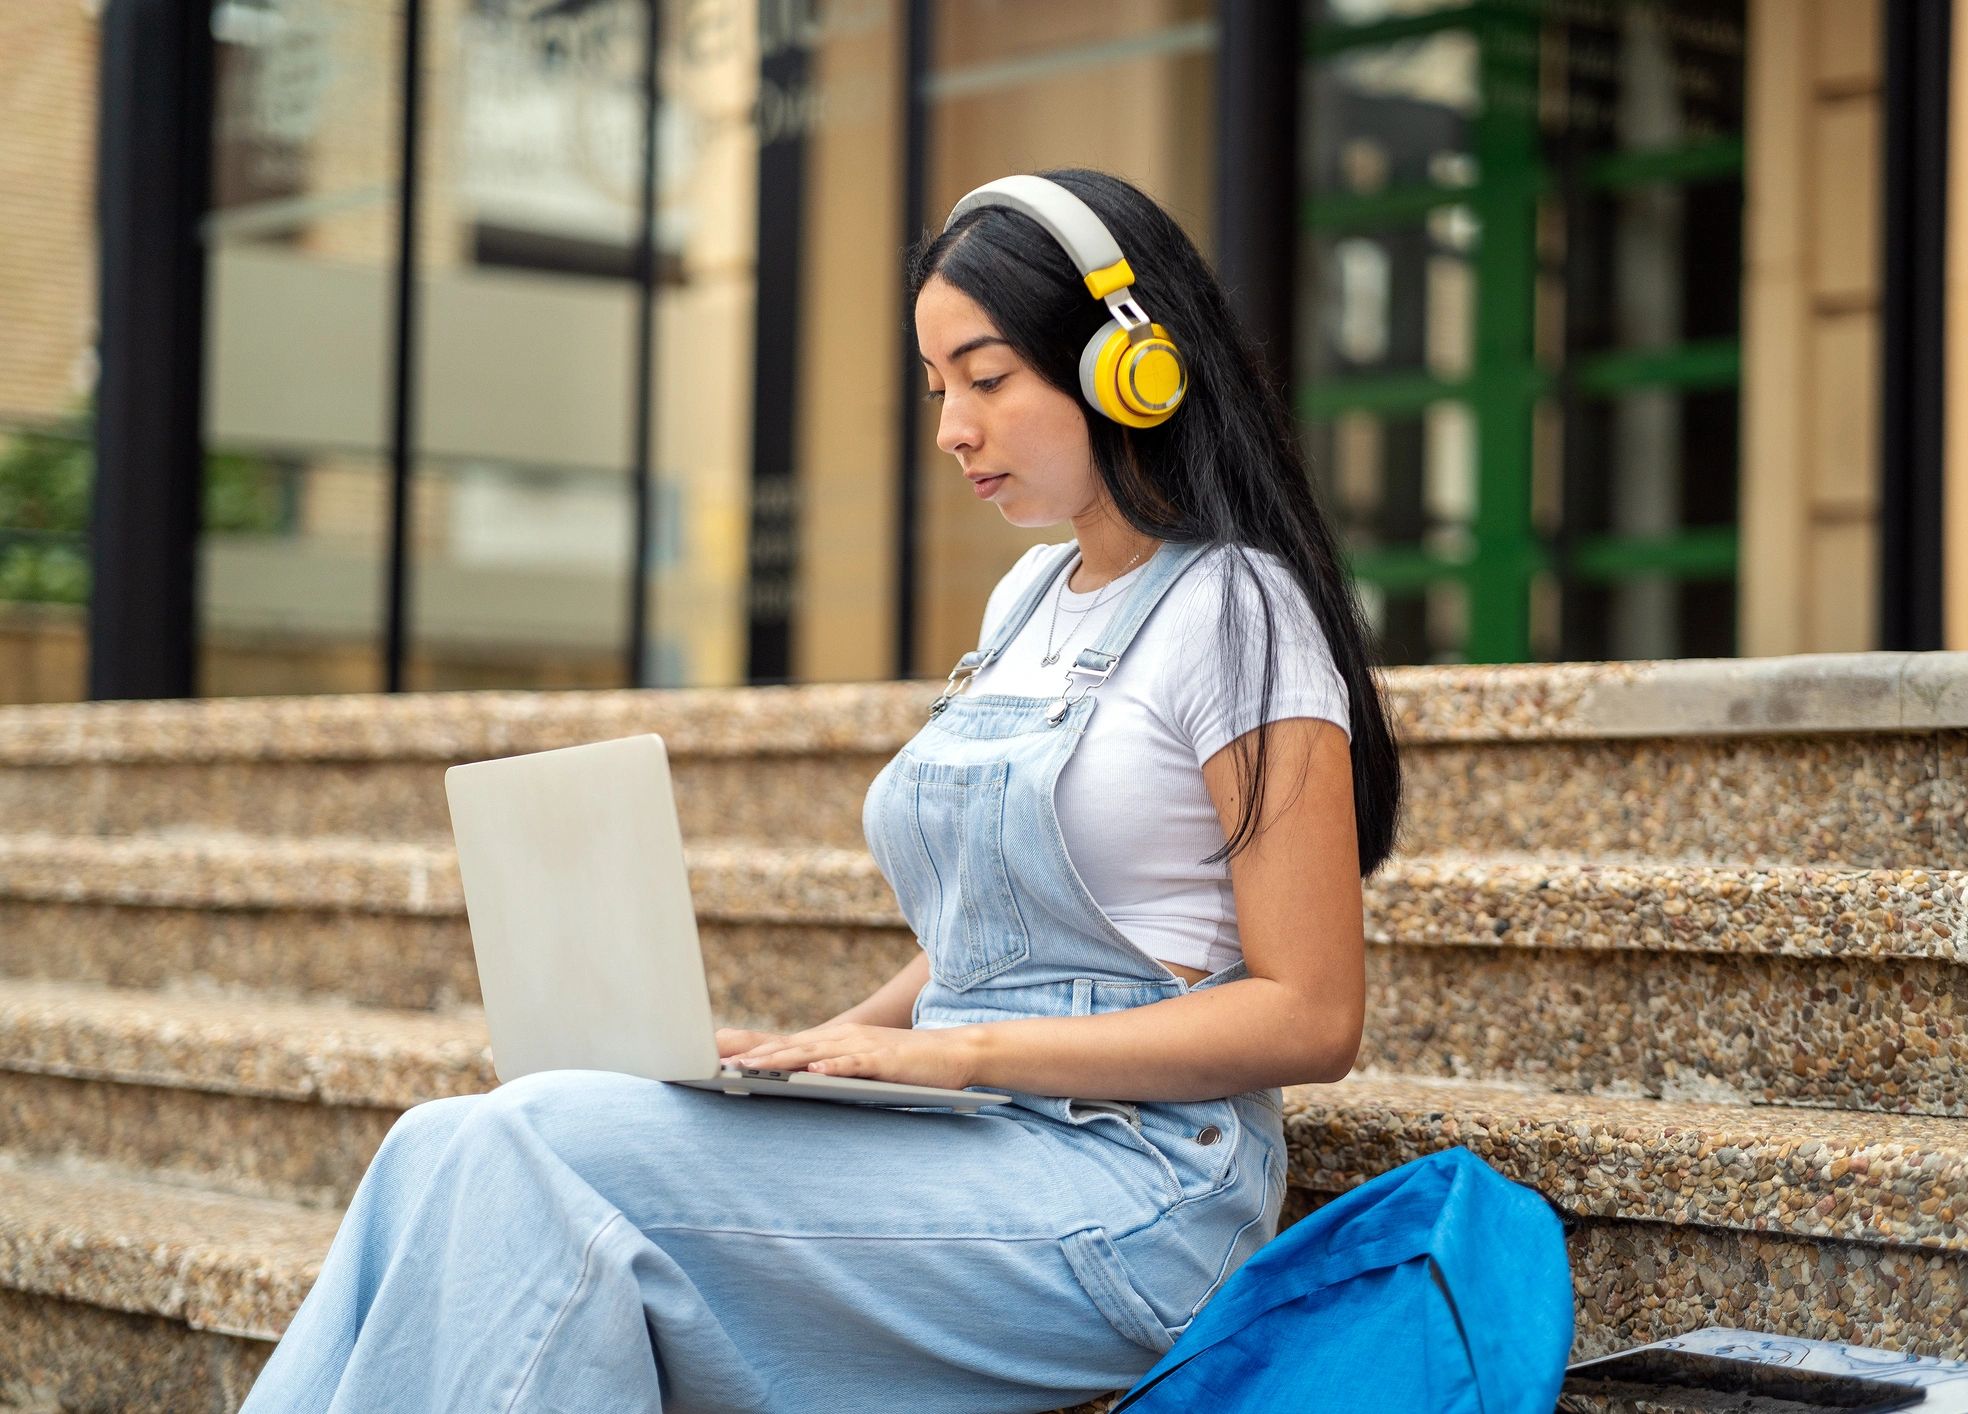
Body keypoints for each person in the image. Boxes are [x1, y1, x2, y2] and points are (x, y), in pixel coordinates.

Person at [238, 167, 1405, 1414]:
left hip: (1137, 1191)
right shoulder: (1023, 604)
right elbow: (990, 935)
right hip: (978, 1138)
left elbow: (1311, 1015)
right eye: (939, 388)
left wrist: (965, 1060)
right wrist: (820, 1050)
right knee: (451, 1136)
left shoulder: (1242, 610)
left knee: (541, 1156)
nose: (953, 427)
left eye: (988, 376)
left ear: (1130, 364)